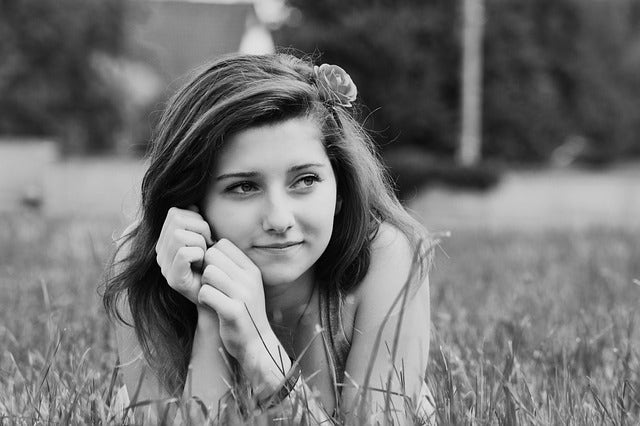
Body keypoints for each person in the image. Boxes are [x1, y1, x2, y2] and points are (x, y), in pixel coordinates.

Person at [103, 52, 433, 424]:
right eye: (244, 186)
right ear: (191, 201)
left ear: (339, 189)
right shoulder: (146, 265)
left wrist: (259, 351)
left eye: (305, 180)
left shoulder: (383, 258)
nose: (279, 218)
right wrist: (211, 315)